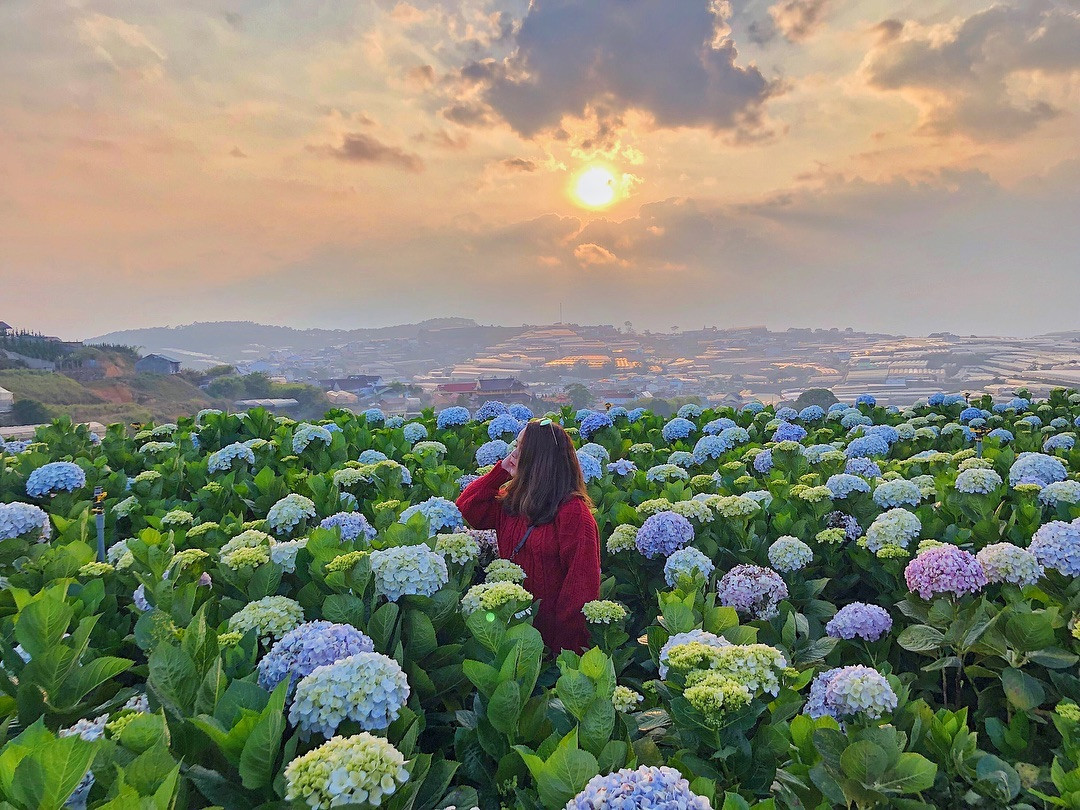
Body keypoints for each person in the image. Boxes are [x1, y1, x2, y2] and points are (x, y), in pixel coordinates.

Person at [457, 419, 600, 654]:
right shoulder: (512, 501)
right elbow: (467, 507)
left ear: (539, 457)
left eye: (521, 447)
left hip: (549, 644)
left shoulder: (573, 513)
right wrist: (500, 472)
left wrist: (563, 653)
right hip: (511, 633)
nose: (513, 453)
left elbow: (580, 592)